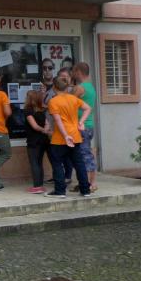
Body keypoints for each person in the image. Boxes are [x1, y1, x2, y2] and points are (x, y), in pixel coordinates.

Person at [46, 76, 92, 198]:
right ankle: (85, 190)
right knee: (79, 164)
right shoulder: (73, 98)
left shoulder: (53, 101)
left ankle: (60, 191)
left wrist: (65, 135)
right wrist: (81, 122)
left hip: (60, 138)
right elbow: (88, 108)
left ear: (54, 87)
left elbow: (58, 120)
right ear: (67, 87)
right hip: (75, 136)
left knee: (57, 164)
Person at [72, 62, 98, 193]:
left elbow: (69, 102)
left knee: (84, 155)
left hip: (82, 126)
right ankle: (90, 182)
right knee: (88, 153)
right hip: (89, 125)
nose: (73, 74)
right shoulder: (91, 87)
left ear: (78, 72)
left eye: (74, 71)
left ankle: (87, 183)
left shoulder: (80, 88)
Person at [23, 90, 49, 194]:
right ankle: (40, 185)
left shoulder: (28, 111)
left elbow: (34, 126)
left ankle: (37, 187)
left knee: (34, 163)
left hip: (34, 140)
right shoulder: (42, 110)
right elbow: (47, 123)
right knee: (39, 162)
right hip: (44, 140)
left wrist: (42, 130)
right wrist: (45, 130)